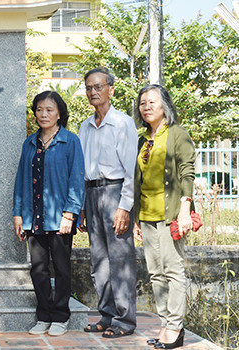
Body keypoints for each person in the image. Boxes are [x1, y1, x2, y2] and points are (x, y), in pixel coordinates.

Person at [12, 91, 85, 337]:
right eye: (39, 109)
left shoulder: (70, 141)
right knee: (38, 268)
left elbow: (76, 179)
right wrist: (18, 213)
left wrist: (70, 213)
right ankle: (43, 315)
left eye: (49, 110)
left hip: (60, 217)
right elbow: (21, 179)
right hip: (34, 216)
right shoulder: (29, 143)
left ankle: (60, 317)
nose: (44, 114)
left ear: (59, 114)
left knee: (62, 268)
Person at [133, 84, 196, 349]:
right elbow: (139, 179)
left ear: (164, 106)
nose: (146, 107)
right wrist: (136, 217)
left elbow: (186, 171)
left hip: (170, 213)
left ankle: (175, 327)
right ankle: (165, 323)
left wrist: (185, 208)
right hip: (146, 214)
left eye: (152, 102)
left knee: (173, 270)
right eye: (142, 103)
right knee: (155, 273)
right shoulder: (142, 138)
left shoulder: (177, 134)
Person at [78, 67, 138, 339]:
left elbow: (130, 170)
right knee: (99, 259)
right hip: (91, 194)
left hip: (115, 193)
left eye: (98, 87)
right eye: (89, 87)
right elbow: (81, 169)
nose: (93, 92)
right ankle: (107, 315)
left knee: (120, 259)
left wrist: (125, 207)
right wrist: (80, 206)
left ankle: (125, 321)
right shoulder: (85, 126)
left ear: (111, 89)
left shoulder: (123, 123)